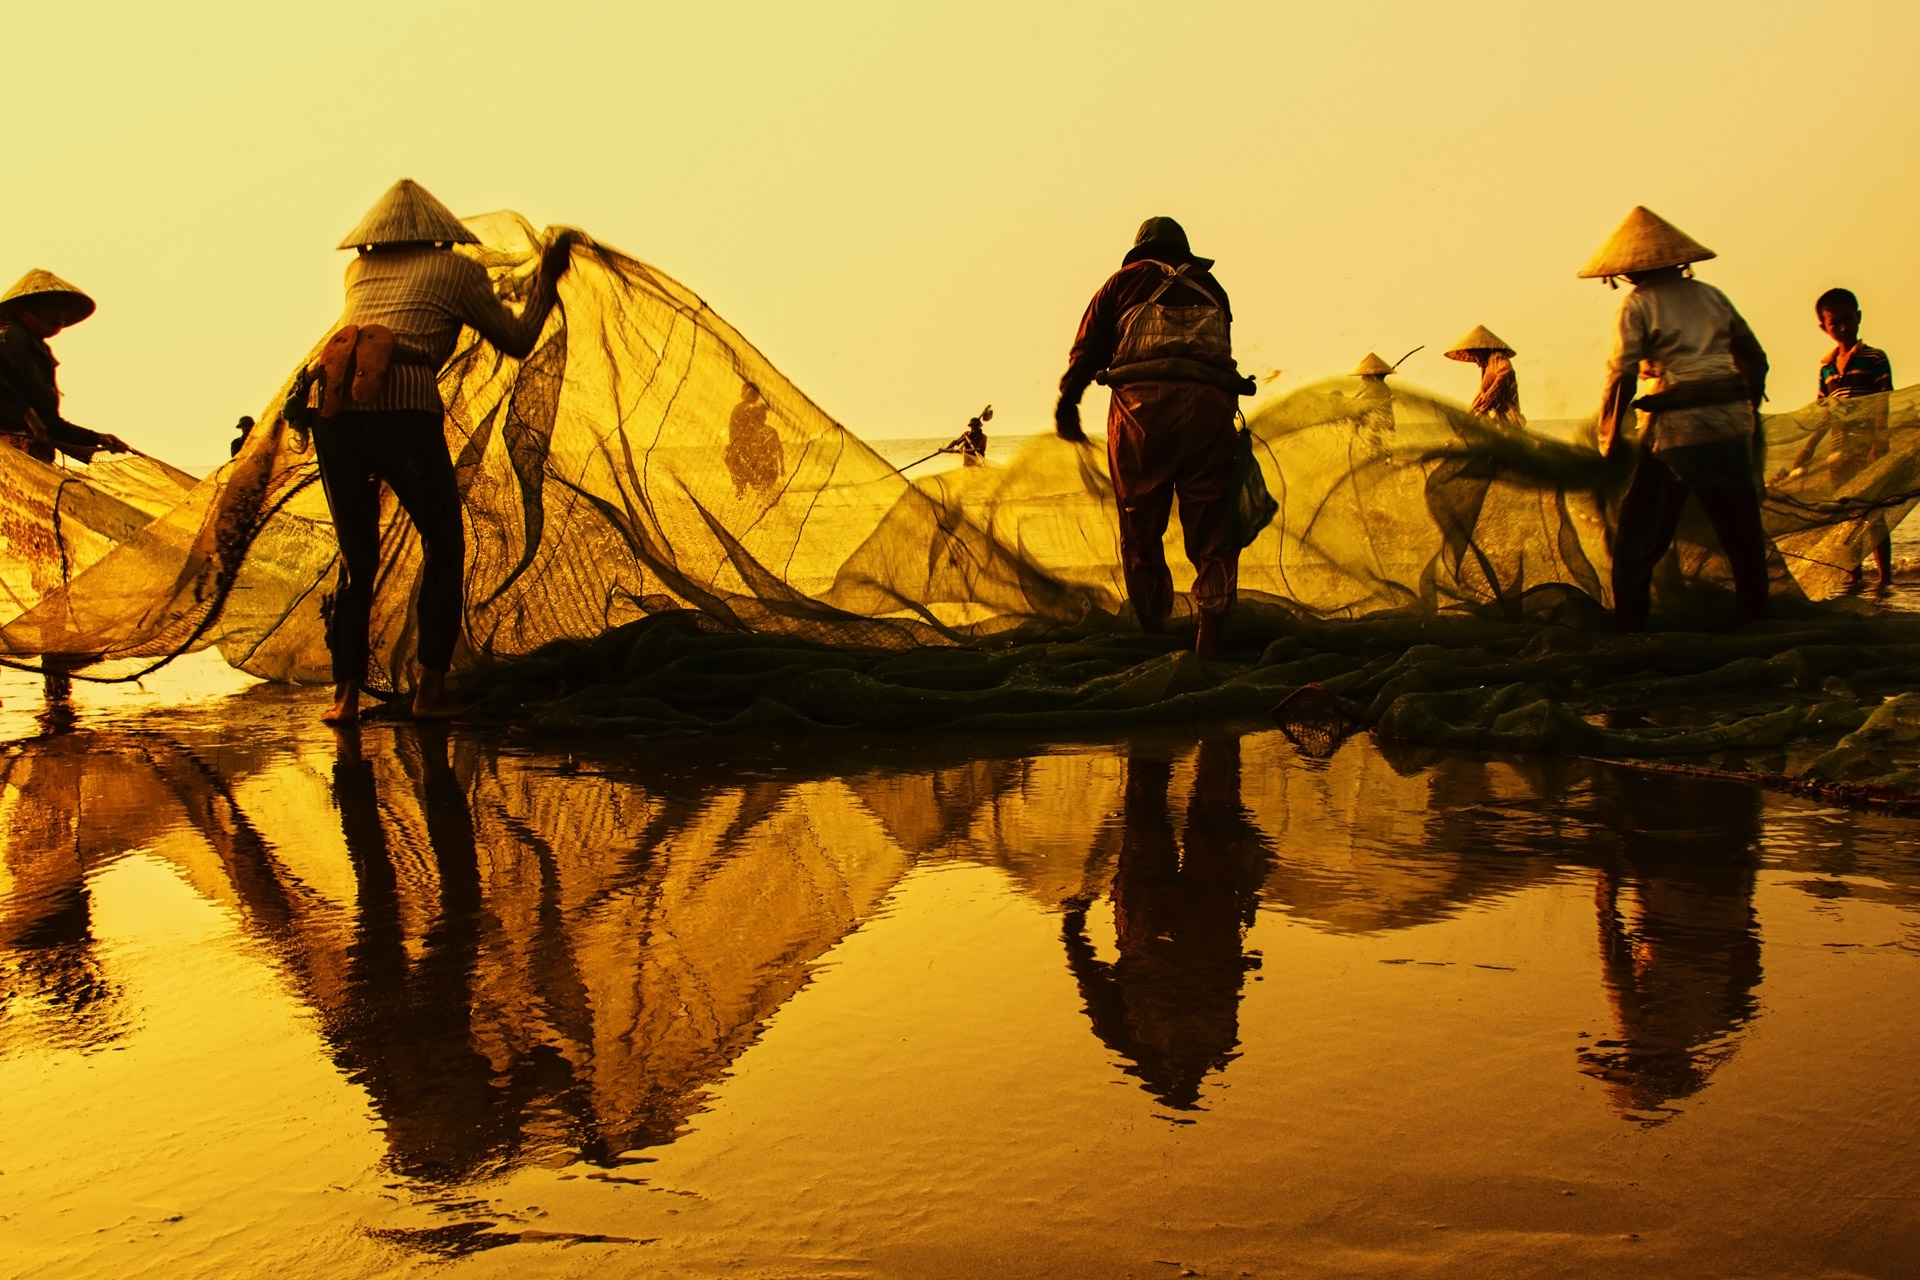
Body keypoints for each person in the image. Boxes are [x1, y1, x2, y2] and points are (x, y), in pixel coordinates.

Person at [315, 179, 574, 725]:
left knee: (356, 559)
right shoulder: (457, 268)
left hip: (333, 409)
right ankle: (430, 693)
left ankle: (344, 699)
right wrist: (547, 280)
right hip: (404, 407)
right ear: (440, 236)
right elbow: (520, 339)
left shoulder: (357, 272)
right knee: (445, 545)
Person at [1054, 218, 1255, 659]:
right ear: (1184, 252)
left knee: (1139, 523)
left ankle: (1155, 638)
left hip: (1142, 413)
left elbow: (1087, 352)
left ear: (1140, 251)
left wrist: (1067, 404)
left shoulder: (1121, 283)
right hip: (1209, 409)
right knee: (1212, 530)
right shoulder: (1212, 287)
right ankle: (1207, 644)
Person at [1583, 206, 1770, 632]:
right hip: (1729, 423)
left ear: (1627, 271)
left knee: (1636, 540)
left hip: (1676, 430)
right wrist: (1748, 410)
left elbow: (1622, 373)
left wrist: (1608, 439)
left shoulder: (1637, 305)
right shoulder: (1711, 295)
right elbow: (1754, 356)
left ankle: (1631, 632)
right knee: (1741, 537)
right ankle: (1756, 623)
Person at [1783, 289, 1895, 584]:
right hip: (1838, 454)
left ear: (1858, 317)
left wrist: (1879, 441)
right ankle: (1853, 573)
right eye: (1836, 323)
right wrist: (1807, 449)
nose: (1844, 327)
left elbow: (1883, 401)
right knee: (1847, 516)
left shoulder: (1874, 358)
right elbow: (1825, 413)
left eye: (1849, 319)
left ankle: (1884, 577)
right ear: (1824, 327)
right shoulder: (1827, 367)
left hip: (1868, 448)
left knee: (1873, 514)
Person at [0, 270, 129, 464]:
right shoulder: (12, 337)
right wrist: (35, 424)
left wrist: (97, 438)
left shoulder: (40, 349)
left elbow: (51, 423)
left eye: (64, 309)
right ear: (24, 309)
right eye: (52, 307)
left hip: (29, 455)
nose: (60, 315)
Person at [1444, 324, 1524, 427]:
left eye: (1476, 356)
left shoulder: (1496, 357)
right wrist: (1471, 415)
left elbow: (1506, 372)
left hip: (1508, 418)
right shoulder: (1487, 367)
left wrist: (1485, 403)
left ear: (1482, 351)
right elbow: (1481, 396)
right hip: (1498, 419)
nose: (1476, 362)